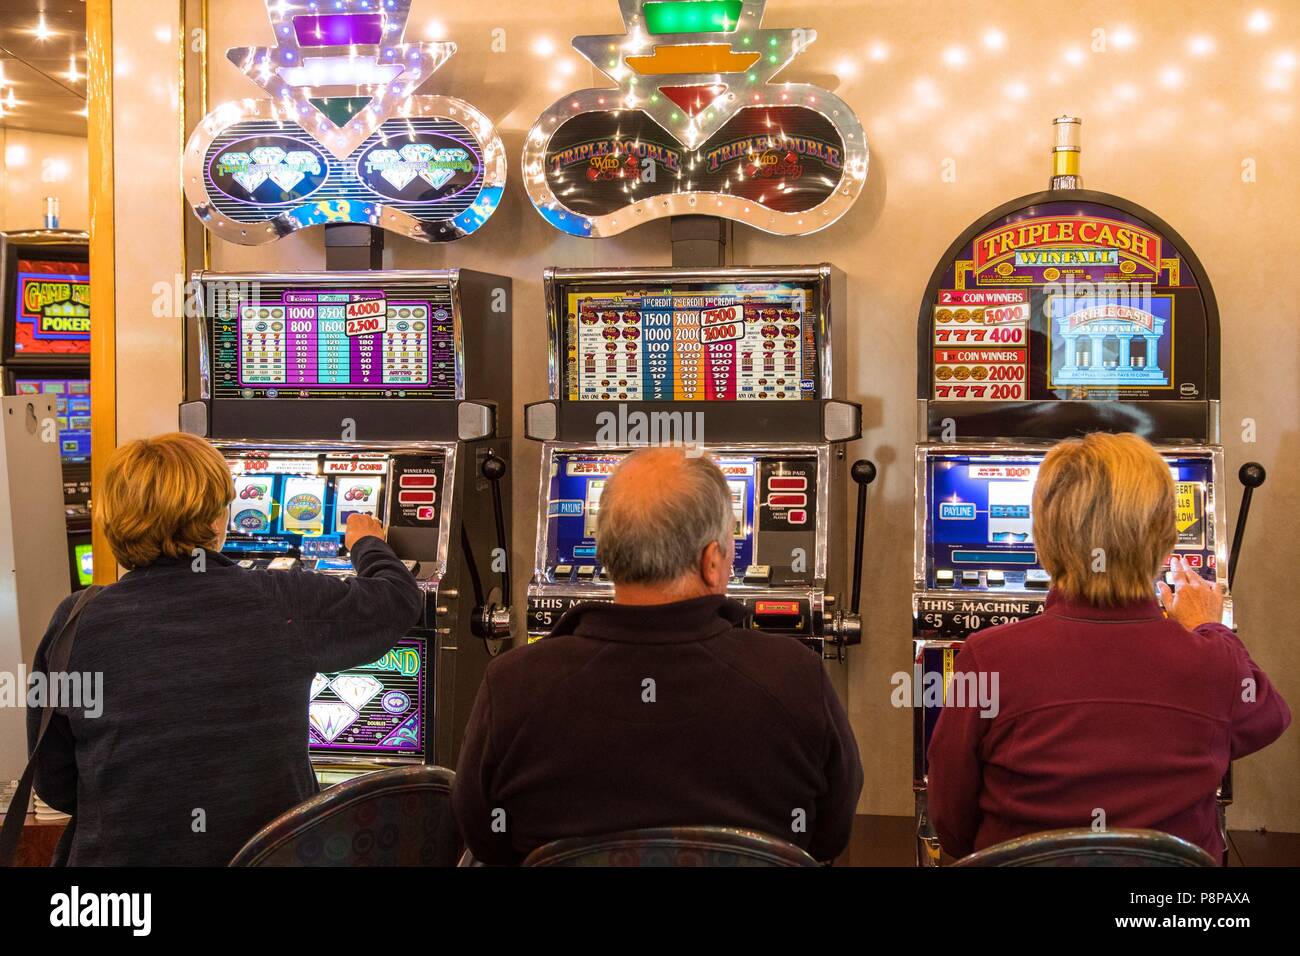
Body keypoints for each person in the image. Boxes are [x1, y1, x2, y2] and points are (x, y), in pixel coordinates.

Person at [27, 432, 422, 865]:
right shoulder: (279, 600)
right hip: (260, 858)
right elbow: (397, 601)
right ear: (217, 520)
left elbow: (54, 779)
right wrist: (368, 542)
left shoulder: (76, 620)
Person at [453, 447, 862, 864]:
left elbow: (484, 839)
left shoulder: (513, 683)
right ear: (712, 562)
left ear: (606, 554)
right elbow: (829, 836)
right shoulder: (794, 677)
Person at [927, 432, 1290, 861]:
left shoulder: (987, 657)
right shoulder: (1211, 659)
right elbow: (1270, 718)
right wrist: (1213, 628)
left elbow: (950, 821)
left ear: (1044, 536)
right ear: (1165, 537)